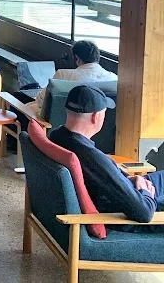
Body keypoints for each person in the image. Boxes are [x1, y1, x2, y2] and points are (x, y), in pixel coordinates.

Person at [49, 85, 164, 230]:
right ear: (95, 117)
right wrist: (146, 192)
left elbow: (108, 176)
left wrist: (129, 179)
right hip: (126, 211)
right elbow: (144, 213)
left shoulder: (56, 136)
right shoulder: (90, 157)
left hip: (123, 192)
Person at [52, 40, 117, 82]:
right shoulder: (113, 78)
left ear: (77, 58)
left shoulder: (63, 75)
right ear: (97, 56)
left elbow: (43, 99)